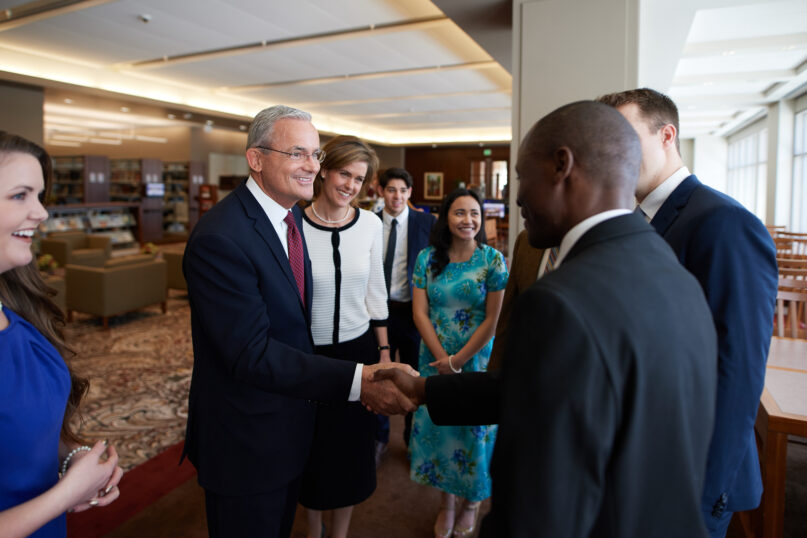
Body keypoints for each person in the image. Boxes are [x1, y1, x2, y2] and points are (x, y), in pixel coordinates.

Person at [376, 101, 719, 537]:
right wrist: (424, 389)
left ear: (561, 166)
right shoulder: (669, 268)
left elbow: (538, 497)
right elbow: (549, 388)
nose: (516, 197)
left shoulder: (560, 301)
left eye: (521, 176)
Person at [181, 106, 416, 538]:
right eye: (297, 154)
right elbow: (250, 353)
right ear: (256, 159)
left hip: (286, 423)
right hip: (247, 439)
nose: (312, 165)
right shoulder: (222, 236)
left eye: (315, 154)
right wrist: (360, 380)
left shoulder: (284, 220)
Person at [597, 88, 778, 537]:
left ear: (666, 135)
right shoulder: (636, 221)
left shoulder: (722, 222)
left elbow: (737, 370)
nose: (612, 153)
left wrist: (703, 494)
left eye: (625, 137)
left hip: (691, 479)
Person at [0, 132, 122, 537]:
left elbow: (23, 430)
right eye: (20, 196)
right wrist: (68, 493)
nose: (41, 213)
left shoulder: (16, 309)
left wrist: (75, 456)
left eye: (40, 196)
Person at [297, 135, 388, 538]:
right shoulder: (291, 225)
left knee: (351, 451)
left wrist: (384, 354)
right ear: (324, 170)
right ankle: (313, 530)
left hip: (358, 352)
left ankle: (340, 534)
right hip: (307, 353)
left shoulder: (370, 224)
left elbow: (376, 291)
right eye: (344, 173)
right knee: (311, 450)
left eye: (360, 178)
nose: (351, 185)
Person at [409, 188, 508, 538]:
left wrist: (459, 360)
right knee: (441, 430)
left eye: (474, 214)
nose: (468, 220)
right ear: (446, 218)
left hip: (477, 358)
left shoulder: (493, 260)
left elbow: (494, 320)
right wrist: (442, 358)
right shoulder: (426, 258)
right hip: (433, 357)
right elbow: (419, 312)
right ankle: (446, 502)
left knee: (473, 434)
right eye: (459, 213)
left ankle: (471, 503)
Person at [374, 167, 435, 453]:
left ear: (410, 193)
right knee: (378, 375)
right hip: (377, 313)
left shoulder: (427, 224)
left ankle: (411, 438)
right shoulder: (368, 223)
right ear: (381, 192)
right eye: (391, 190)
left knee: (412, 378)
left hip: (412, 313)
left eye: (402, 190)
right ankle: (379, 437)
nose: (396, 196)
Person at [486, 229, 545, 371]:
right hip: (524, 372)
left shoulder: (597, 248)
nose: (520, 205)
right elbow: (507, 316)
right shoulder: (526, 240)